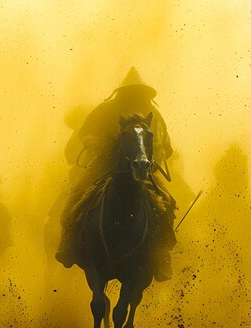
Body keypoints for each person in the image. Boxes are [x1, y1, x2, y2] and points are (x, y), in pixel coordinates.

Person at [55, 67, 176, 281]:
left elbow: (164, 143)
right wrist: (93, 142)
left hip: (143, 167)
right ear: (124, 92)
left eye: (138, 93)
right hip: (104, 163)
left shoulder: (153, 115)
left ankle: (161, 255)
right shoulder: (106, 109)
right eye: (132, 92)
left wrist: (153, 155)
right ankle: (68, 244)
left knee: (167, 201)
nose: (135, 97)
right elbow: (87, 131)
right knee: (74, 197)